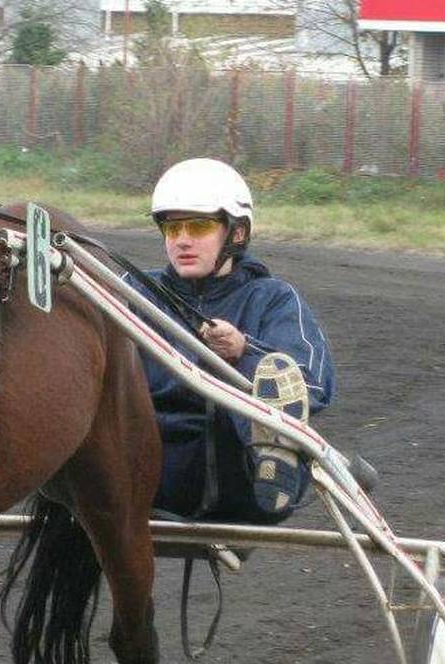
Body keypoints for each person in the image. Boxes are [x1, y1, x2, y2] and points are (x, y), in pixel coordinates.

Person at [125, 158, 335, 523]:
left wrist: (244, 352)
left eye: (199, 226)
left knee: (266, 389)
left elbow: (313, 384)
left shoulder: (272, 298)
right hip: (148, 467)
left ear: (236, 234)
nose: (183, 240)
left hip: (240, 478)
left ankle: (276, 455)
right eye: (173, 229)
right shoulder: (137, 291)